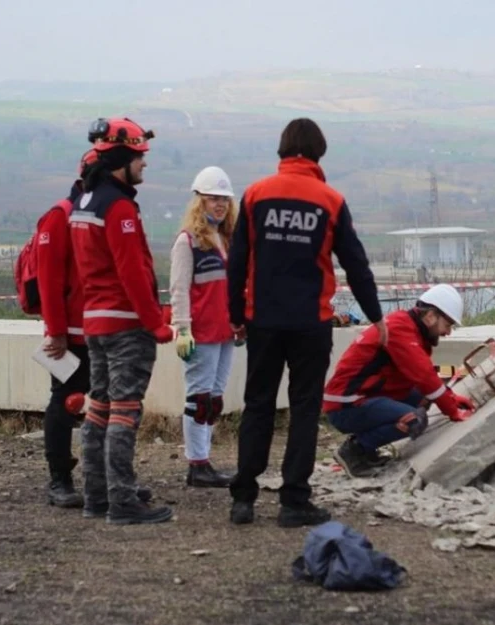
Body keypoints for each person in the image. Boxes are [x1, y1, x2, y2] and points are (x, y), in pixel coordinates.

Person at [227, 117, 386, 527]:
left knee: (258, 404)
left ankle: (243, 498)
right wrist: (376, 315)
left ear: (282, 149)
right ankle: (294, 501)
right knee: (303, 408)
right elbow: (356, 264)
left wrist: (235, 315)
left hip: (262, 319)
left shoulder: (255, 195)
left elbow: (238, 262)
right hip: (310, 323)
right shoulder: (330, 200)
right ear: (319, 151)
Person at [70, 117, 175, 526]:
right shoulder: (118, 207)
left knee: (99, 409)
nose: (144, 164)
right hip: (126, 325)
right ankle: (123, 501)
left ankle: (96, 496)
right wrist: (156, 324)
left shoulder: (85, 201)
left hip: (95, 323)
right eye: (139, 157)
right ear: (121, 159)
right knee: (124, 412)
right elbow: (132, 271)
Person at [323, 284, 477, 477]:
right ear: (430, 317)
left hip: (357, 397)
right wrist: (453, 411)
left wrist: (451, 398)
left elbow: (423, 381)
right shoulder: (400, 330)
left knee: (423, 398)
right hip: (347, 405)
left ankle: (366, 449)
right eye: (447, 325)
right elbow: (424, 376)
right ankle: (356, 450)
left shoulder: (406, 327)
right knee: (415, 420)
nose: (448, 332)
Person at [168, 166, 239, 488]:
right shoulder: (189, 242)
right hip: (202, 332)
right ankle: (197, 464)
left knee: (215, 400)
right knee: (199, 400)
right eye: (213, 199)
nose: (220, 205)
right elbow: (179, 288)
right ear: (200, 202)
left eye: (223, 199)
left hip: (226, 331)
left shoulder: (227, 239)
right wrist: (182, 328)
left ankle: (205, 459)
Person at [34, 148, 96, 508]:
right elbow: (49, 278)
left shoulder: (92, 214)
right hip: (70, 331)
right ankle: (59, 477)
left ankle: (101, 476)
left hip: (101, 326)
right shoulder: (60, 216)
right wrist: (56, 330)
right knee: (65, 401)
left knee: (103, 402)